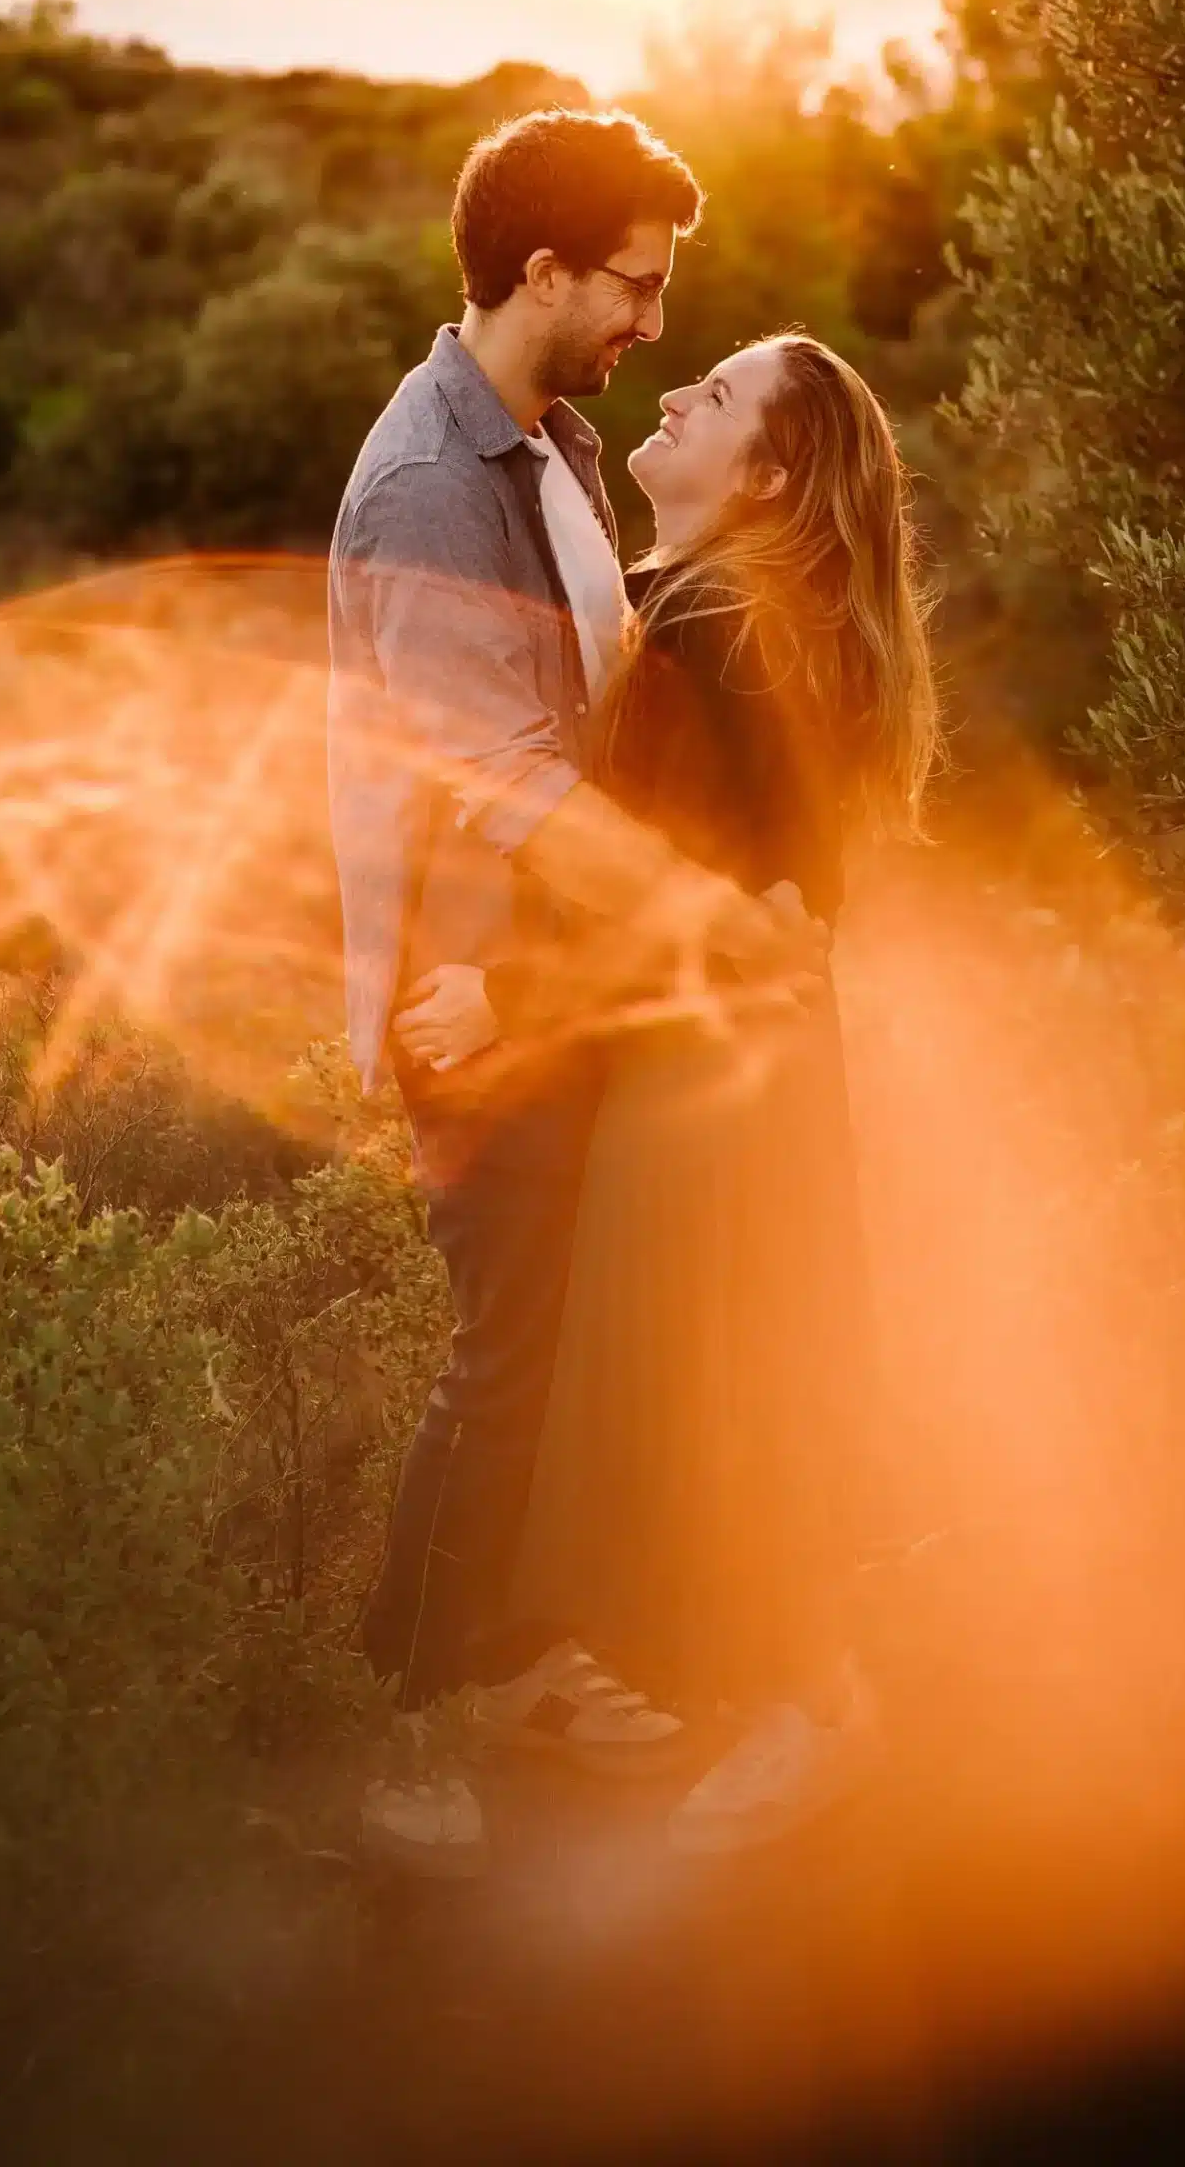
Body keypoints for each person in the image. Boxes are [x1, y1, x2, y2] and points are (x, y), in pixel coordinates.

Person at [327, 106, 804, 1878]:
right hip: (475, 995)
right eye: (634, 283)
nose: (654, 323)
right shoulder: (435, 484)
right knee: (510, 1349)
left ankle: (531, 1659)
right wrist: (704, 919)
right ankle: (417, 1714)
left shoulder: (552, 443)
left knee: (565, 1334)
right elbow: (502, 776)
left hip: (551, 979)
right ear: (540, 269)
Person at [402, 332, 937, 1856]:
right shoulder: (732, 609)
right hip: (732, 1047)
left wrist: (495, 993)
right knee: (725, 1381)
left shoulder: (719, 619)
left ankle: (810, 1721)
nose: (679, 395)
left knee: (729, 1387)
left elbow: (677, 888)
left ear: (766, 474)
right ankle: (759, 1701)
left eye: (719, 397)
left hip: (713, 1064)